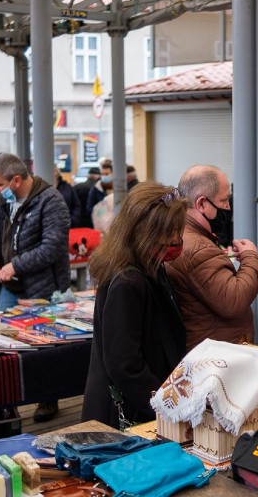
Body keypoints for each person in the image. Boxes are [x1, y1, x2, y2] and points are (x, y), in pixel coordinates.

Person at [81, 182, 187, 427]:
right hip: (128, 416)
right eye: (170, 232)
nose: (176, 239)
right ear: (146, 233)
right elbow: (124, 364)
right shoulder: (128, 282)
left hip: (142, 405)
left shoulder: (147, 265)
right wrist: (165, 406)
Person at [0, 153, 71, 423]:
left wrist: (16, 265)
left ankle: (47, 399)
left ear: (17, 180)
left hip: (42, 286)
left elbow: (53, 247)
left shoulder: (51, 200)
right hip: (9, 283)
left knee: (43, 345)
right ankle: (6, 403)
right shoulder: (2, 201)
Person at [166, 165, 258, 351]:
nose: (228, 207)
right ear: (201, 203)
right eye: (224, 200)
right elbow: (234, 300)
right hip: (216, 357)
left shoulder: (180, 233)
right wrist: (251, 257)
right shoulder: (198, 248)